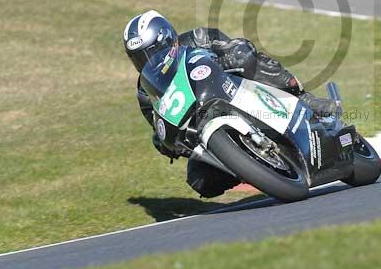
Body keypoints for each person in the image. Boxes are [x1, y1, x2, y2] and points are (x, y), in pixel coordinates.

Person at [123, 10, 340, 197]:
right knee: (200, 181)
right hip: (204, 131)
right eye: (140, 58)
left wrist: (231, 53)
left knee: (251, 61)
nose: (149, 61)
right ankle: (256, 166)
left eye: (153, 52)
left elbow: (236, 46)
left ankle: (305, 100)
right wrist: (164, 143)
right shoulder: (145, 92)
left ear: (168, 39)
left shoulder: (196, 38)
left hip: (237, 89)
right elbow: (158, 126)